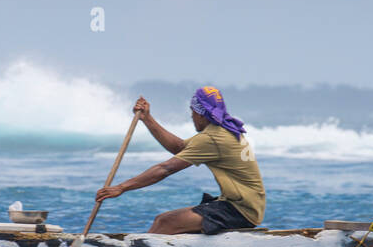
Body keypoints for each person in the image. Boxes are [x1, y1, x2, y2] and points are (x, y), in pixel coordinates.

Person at [94, 86, 265, 234]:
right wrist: (148, 119)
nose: (191, 117)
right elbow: (179, 148)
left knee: (165, 222)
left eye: (192, 111)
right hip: (245, 206)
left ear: (200, 113)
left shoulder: (212, 138)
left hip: (240, 210)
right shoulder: (224, 130)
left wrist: (121, 188)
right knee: (166, 221)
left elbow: (166, 168)